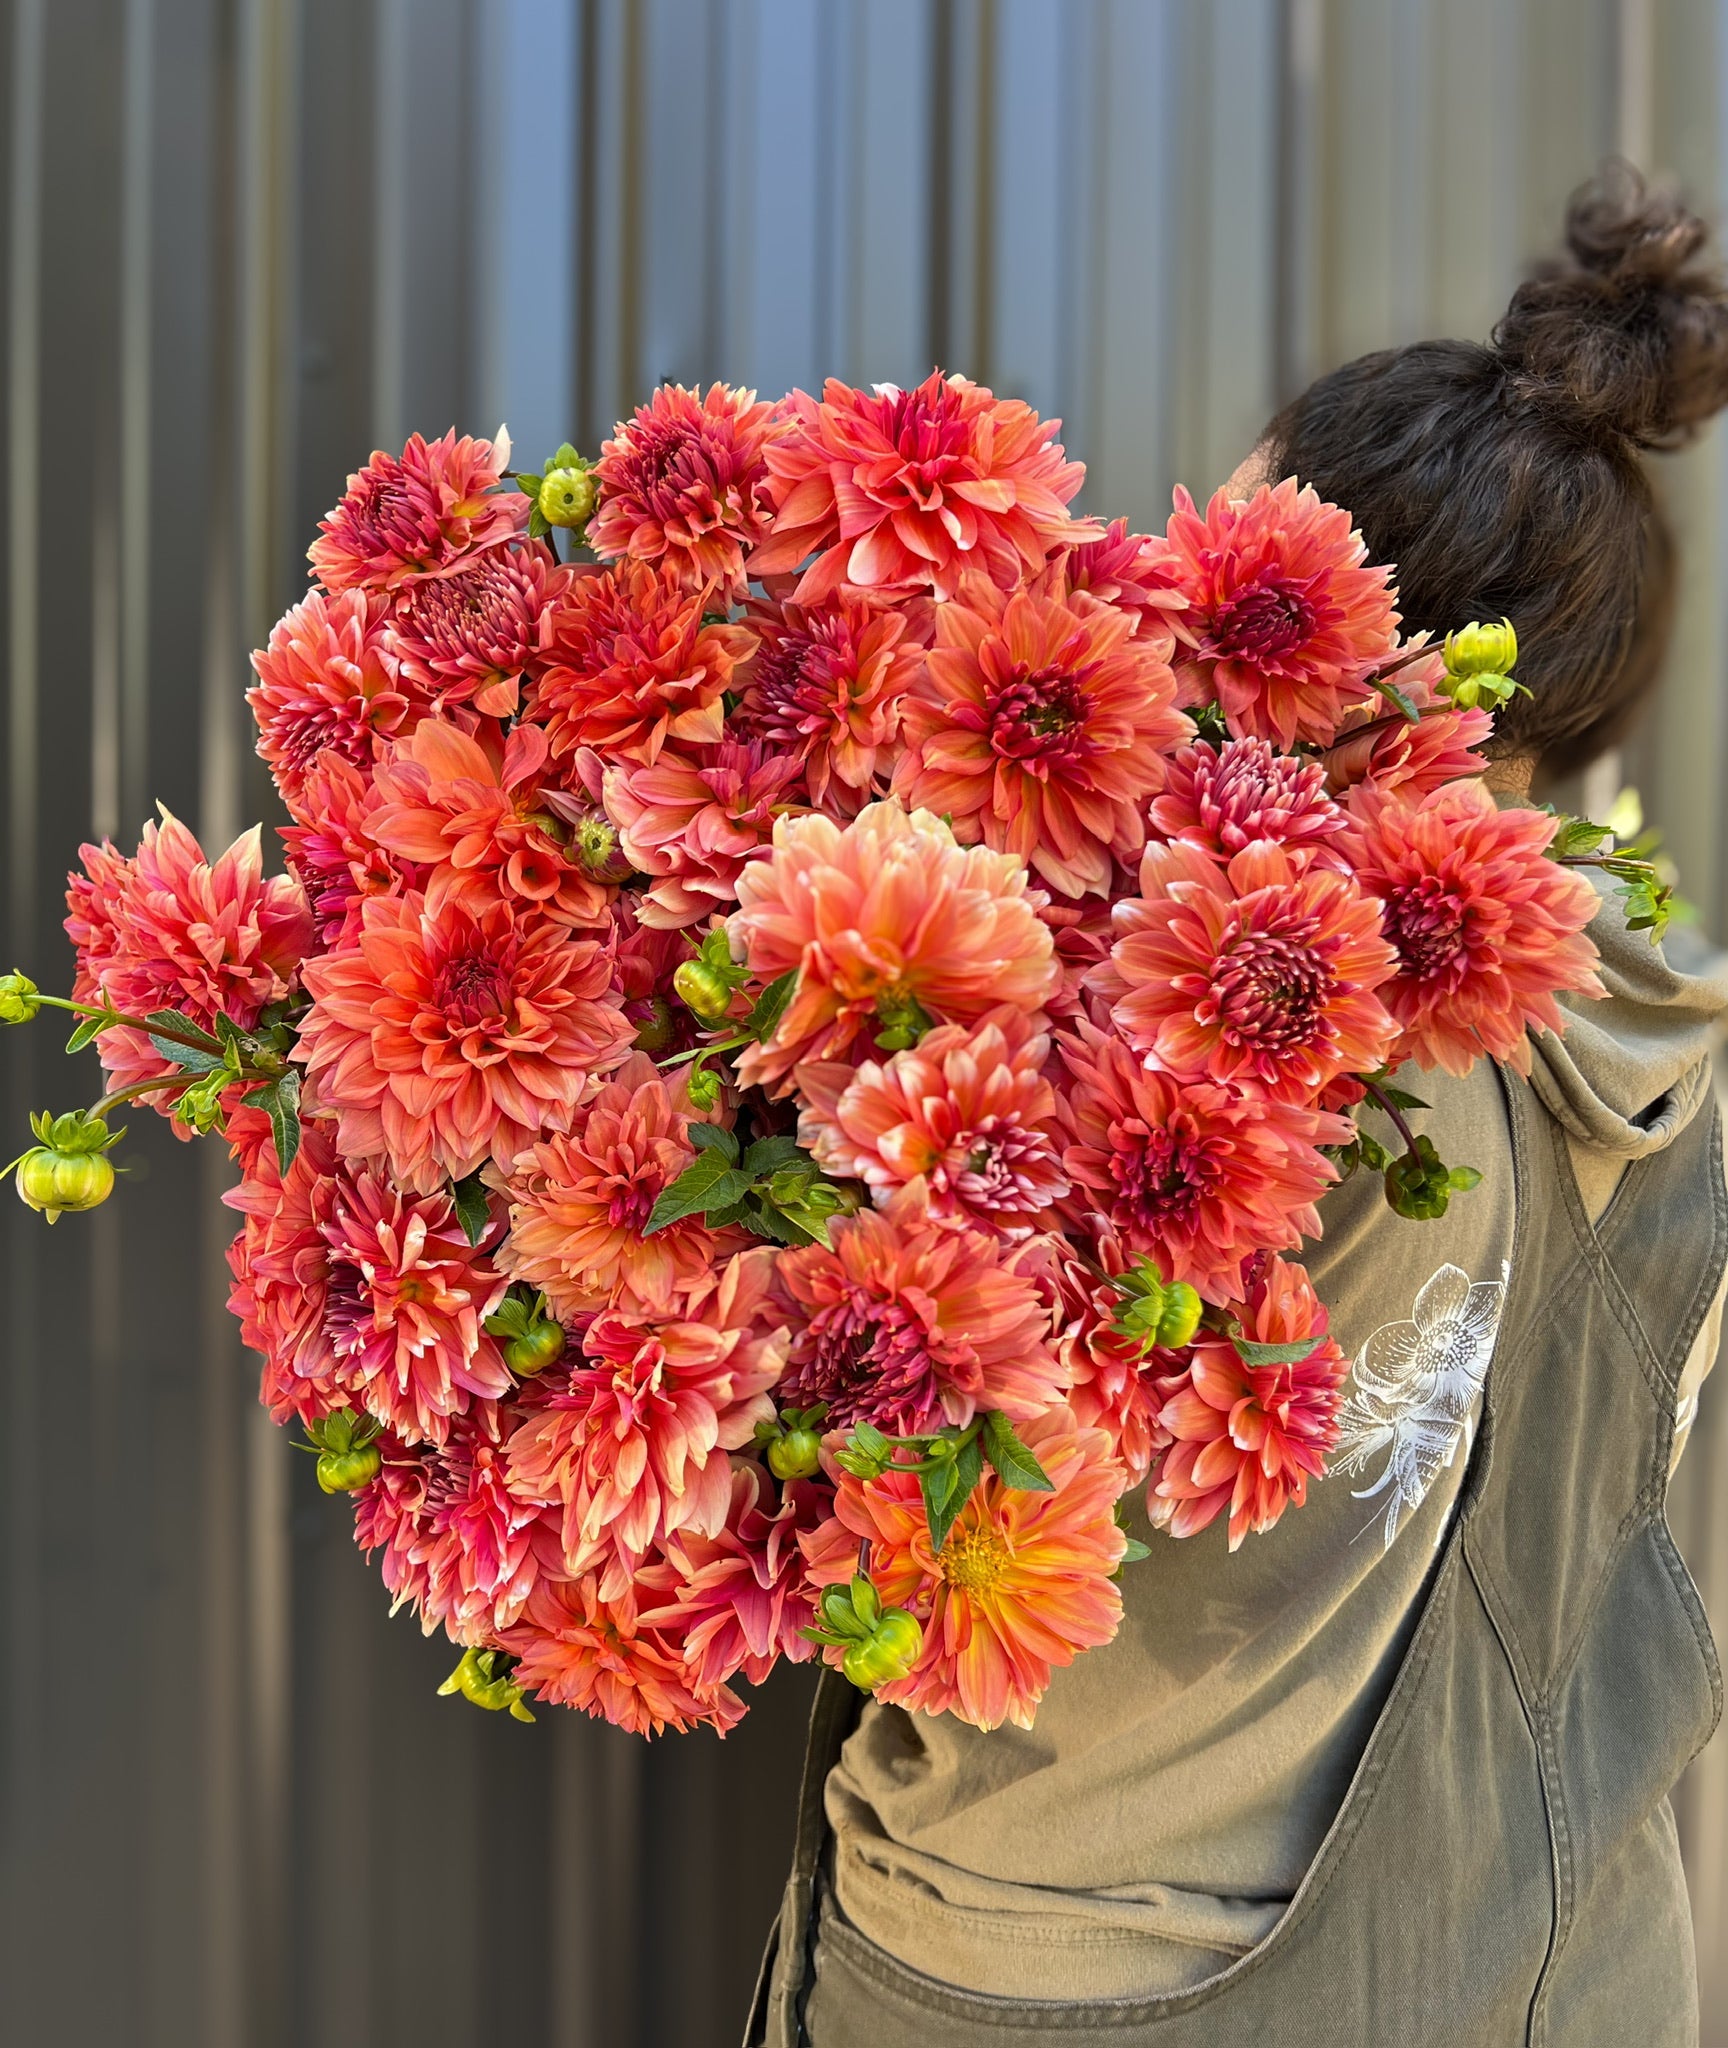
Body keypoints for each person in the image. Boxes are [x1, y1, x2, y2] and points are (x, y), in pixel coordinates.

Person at [749, 165, 1728, 2048]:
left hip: (1050, 1969)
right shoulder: (1670, 1059)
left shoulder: (1172, 990)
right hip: (1537, 1965)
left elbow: (845, 1412)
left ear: (1296, 615)